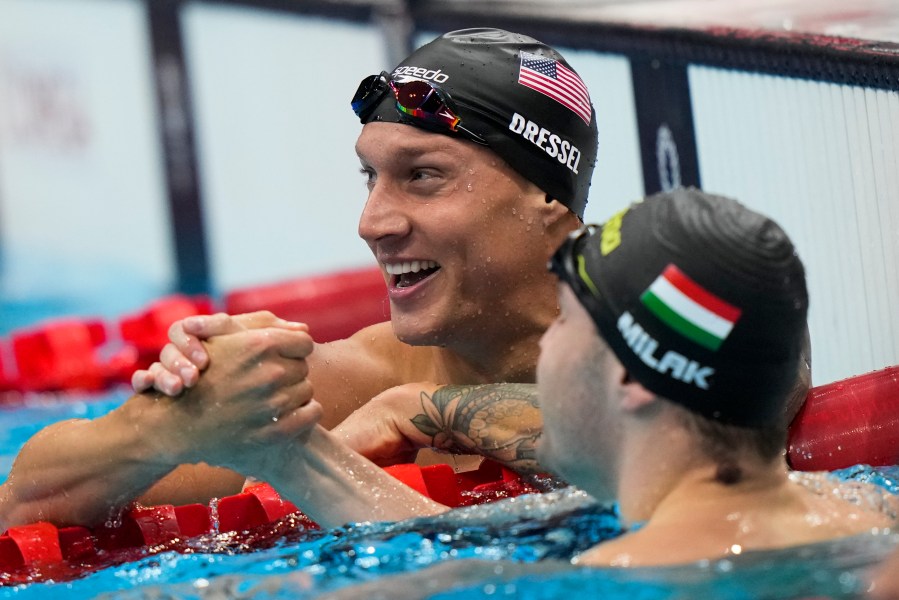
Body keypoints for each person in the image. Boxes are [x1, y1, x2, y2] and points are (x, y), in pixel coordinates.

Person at [0, 27, 598, 529]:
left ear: (549, 195)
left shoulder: (646, 334)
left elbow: (674, 428)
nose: (373, 223)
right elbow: (24, 504)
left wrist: (421, 408)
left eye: (422, 176)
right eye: (370, 178)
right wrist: (172, 422)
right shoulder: (335, 385)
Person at [178, 188, 896, 566]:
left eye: (564, 331)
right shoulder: (861, 512)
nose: (541, 358)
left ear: (631, 381)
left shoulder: (617, 579)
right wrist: (292, 455)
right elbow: (458, 547)